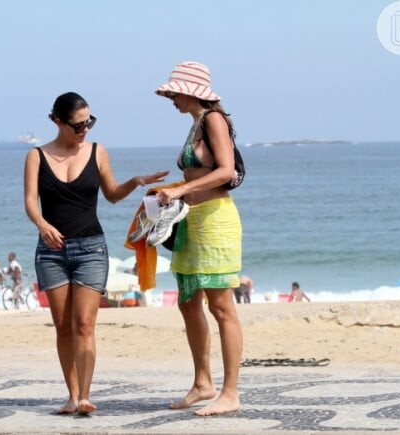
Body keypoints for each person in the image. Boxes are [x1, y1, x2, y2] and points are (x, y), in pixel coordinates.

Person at [24, 91, 168, 415]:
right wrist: (41, 224)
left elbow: (113, 194)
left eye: (89, 121)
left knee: (85, 324)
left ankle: (86, 397)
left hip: (91, 248)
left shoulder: (97, 151)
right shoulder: (36, 156)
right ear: (58, 122)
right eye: (78, 125)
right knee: (63, 327)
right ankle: (72, 396)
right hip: (51, 251)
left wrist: (135, 182)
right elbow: (31, 202)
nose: (85, 129)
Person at [154, 61, 243, 416]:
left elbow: (227, 170)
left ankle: (230, 392)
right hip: (192, 221)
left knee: (221, 307)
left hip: (215, 221)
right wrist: (174, 193)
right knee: (188, 302)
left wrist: (184, 189)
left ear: (191, 91)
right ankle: (202, 382)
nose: (171, 98)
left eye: (174, 92)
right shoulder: (195, 124)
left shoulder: (213, 120)